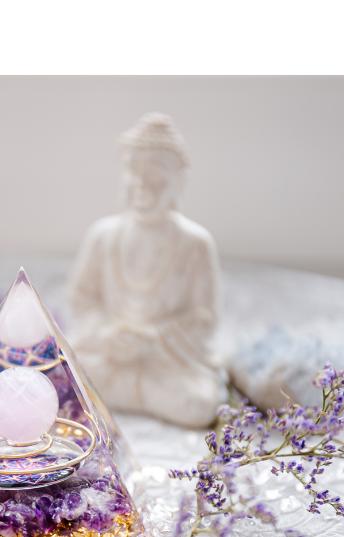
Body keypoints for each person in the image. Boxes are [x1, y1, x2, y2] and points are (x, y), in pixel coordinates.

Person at [67, 112, 226, 428]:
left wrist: (152, 340)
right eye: (133, 174)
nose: (141, 186)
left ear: (178, 183)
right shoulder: (103, 236)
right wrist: (106, 334)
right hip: (108, 355)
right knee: (59, 376)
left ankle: (123, 391)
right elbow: (81, 300)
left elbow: (205, 318)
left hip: (165, 364)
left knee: (199, 404)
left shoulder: (195, 244)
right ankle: (126, 388)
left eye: (154, 177)